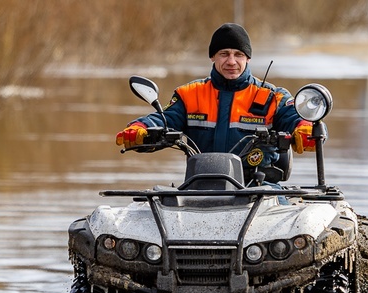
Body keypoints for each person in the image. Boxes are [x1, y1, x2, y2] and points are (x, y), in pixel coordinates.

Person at [116, 23, 315, 183]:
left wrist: (304, 128)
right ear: (212, 56)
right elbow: (165, 119)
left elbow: (296, 118)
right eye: (224, 54)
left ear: (248, 58)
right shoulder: (190, 94)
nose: (231, 61)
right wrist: (141, 127)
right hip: (200, 187)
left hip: (259, 189)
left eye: (238, 54)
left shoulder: (273, 97)